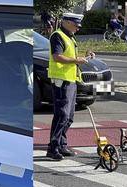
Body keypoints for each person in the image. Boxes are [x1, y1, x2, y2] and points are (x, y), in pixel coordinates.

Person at [46, 12, 94, 160]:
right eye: (75, 25)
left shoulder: (69, 36)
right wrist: (76, 60)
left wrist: (85, 55)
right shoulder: (57, 35)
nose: (78, 28)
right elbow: (57, 56)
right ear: (66, 22)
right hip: (61, 81)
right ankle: (53, 148)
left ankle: (62, 144)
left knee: (69, 116)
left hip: (70, 80)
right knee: (62, 114)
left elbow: (69, 54)